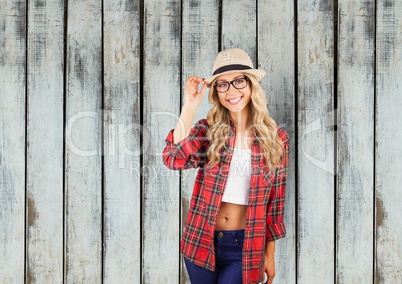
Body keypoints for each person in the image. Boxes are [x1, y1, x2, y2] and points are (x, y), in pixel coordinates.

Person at [162, 48, 289, 284]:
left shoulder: (276, 138)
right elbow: (173, 158)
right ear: (217, 91)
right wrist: (189, 106)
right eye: (222, 84)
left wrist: (269, 254)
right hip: (201, 239)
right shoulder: (209, 130)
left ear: (251, 85)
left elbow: (275, 204)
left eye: (238, 81)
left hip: (246, 245)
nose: (231, 91)